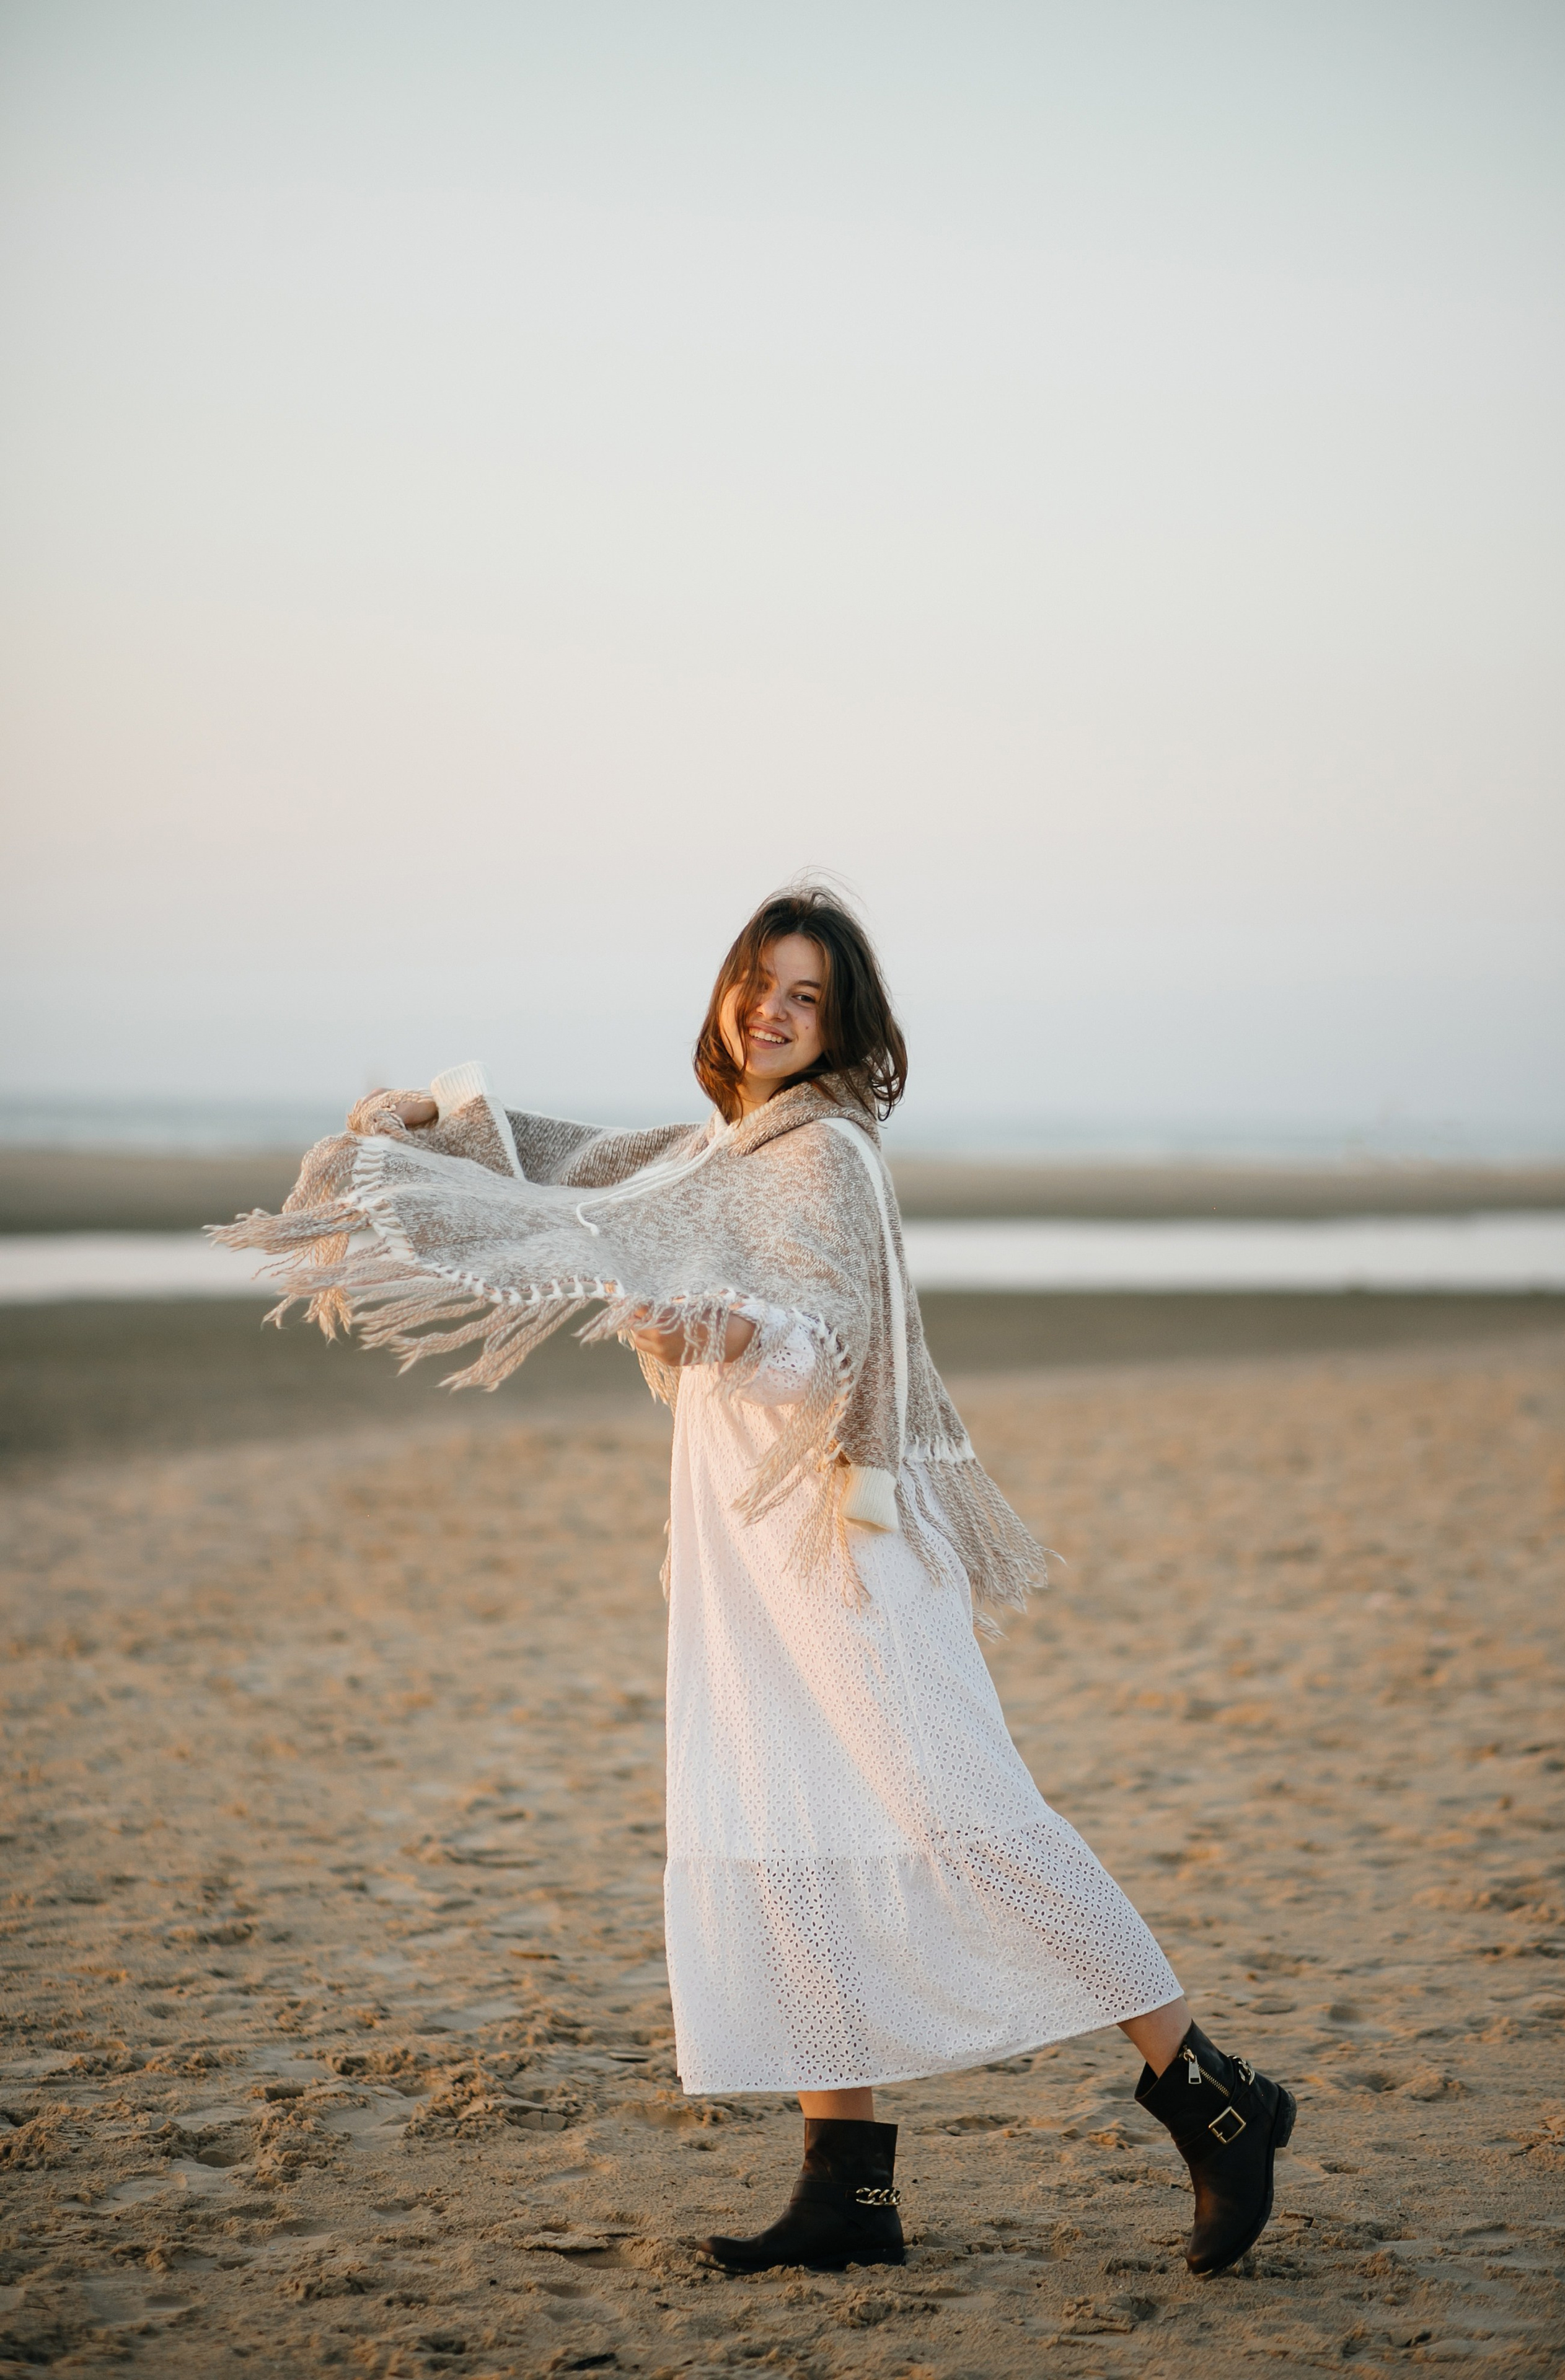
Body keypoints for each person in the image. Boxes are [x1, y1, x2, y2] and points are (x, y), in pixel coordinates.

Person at [232, 884, 1295, 2278]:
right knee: (781, 1822)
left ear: (842, 1025)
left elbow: (831, 1329)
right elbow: (561, 1165)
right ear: (726, 996)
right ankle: (844, 2186)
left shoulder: (829, 1160)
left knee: (963, 1812)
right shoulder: (705, 1155)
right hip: (739, 1551)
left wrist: (726, 1322)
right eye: (757, 983)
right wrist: (434, 1122)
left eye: (805, 995)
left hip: (845, 1547)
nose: (773, 1010)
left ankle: (1210, 2097)